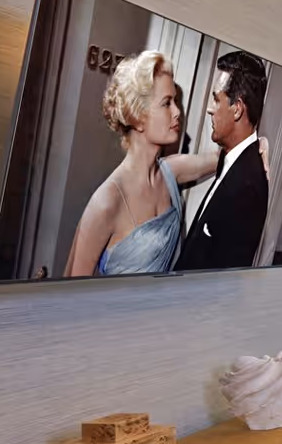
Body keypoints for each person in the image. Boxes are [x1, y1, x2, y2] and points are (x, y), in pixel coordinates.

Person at [64, 51, 223, 277]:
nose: (177, 112)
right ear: (138, 117)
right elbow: (71, 289)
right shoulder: (107, 201)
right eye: (166, 103)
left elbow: (222, 158)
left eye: (175, 102)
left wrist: (260, 144)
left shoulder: (170, 171)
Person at [174, 50, 270, 272]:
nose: (209, 109)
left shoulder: (248, 187)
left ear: (237, 110)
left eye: (217, 99)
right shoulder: (233, 159)